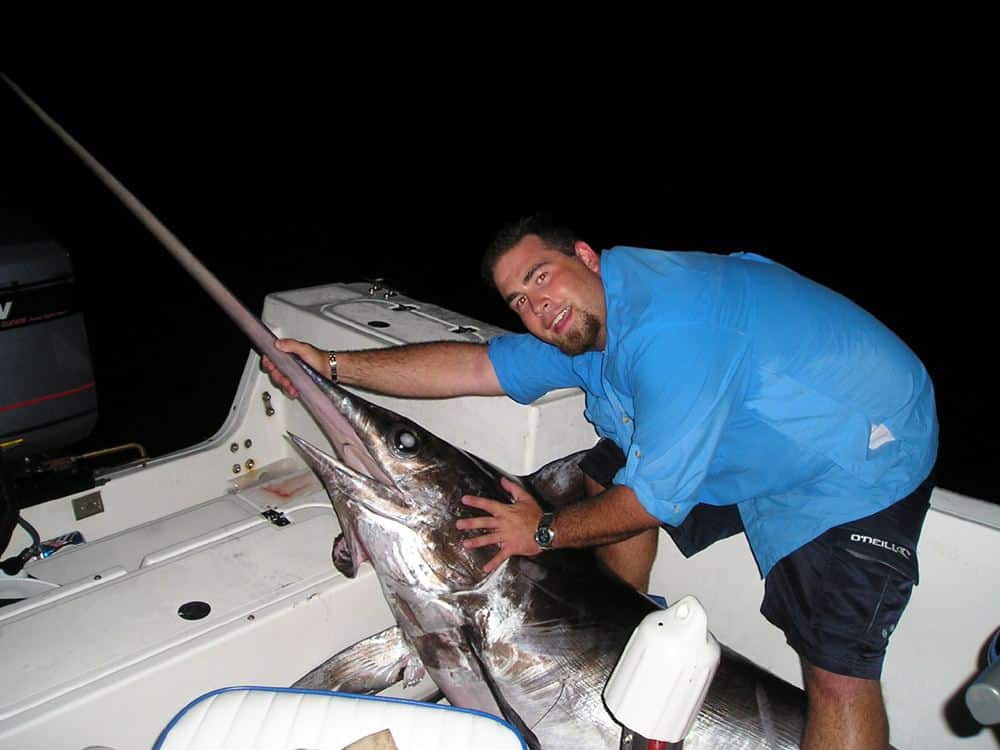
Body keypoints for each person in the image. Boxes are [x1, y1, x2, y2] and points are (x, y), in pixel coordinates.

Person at [263, 214, 937, 749]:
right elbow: (474, 368)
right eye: (519, 300)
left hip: (855, 451)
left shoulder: (671, 332)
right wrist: (330, 365)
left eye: (542, 277)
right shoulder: (587, 323)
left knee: (838, 672)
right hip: (753, 419)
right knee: (608, 467)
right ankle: (621, 625)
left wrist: (544, 531)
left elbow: (647, 501)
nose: (537, 307)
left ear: (586, 256)